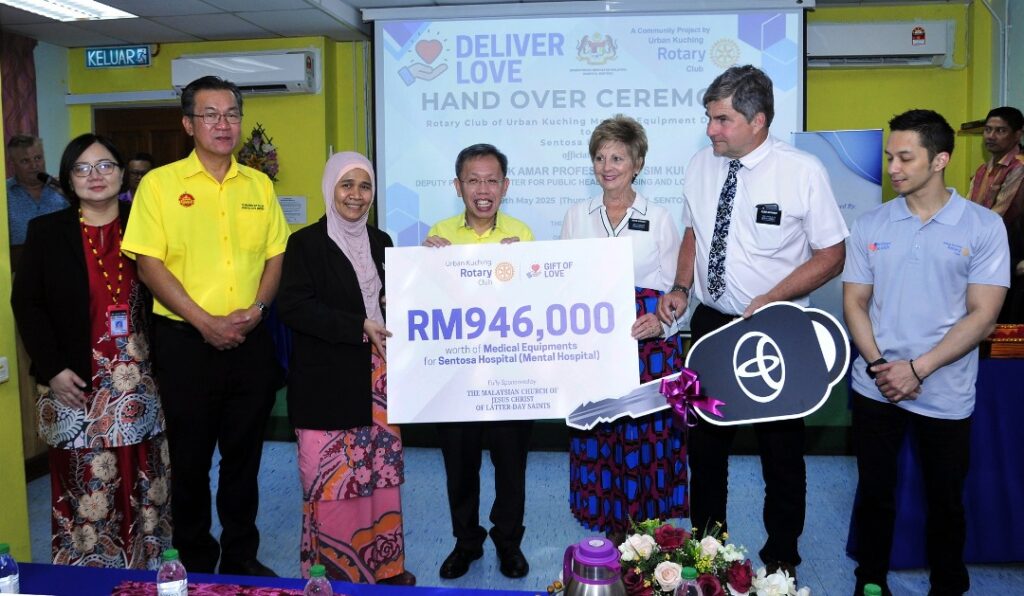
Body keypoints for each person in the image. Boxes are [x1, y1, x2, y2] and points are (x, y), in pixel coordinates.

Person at [656, 65, 848, 580]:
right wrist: (681, 287)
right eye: (709, 118)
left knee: (780, 453)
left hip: (778, 329)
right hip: (712, 324)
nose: (710, 130)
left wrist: (773, 298)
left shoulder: (801, 171)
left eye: (721, 120)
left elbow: (832, 254)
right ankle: (707, 547)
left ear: (758, 120)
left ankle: (782, 555)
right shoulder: (701, 164)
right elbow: (694, 233)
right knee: (705, 448)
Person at [121, 76, 290, 577]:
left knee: (245, 459)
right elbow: (148, 264)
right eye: (210, 115)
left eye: (231, 114)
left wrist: (258, 310)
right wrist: (204, 322)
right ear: (188, 124)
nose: (223, 124)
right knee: (190, 461)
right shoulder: (160, 185)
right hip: (185, 344)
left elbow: (275, 256)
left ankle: (240, 555)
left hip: (250, 342)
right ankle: (194, 560)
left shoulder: (259, 185)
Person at [844, 109, 1009, 596]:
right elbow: (855, 303)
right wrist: (881, 367)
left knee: (945, 500)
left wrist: (918, 369)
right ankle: (870, 581)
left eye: (905, 157)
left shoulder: (983, 226)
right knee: (875, 493)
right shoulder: (870, 223)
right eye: (889, 157)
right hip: (876, 386)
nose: (892, 168)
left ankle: (948, 585)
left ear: (940, 160)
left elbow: (983, 315)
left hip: (946, 389)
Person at [11, 133, 171, 568]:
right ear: (68, 179)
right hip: (74, 382)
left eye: (104, 166)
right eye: (82, 168)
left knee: (144, 482)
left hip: (139, 380)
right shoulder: (47, 232)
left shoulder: (147, 224)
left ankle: (147, 572)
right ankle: (87, 574)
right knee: (86, 489)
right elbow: (27, 304)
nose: (94, 175)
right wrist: (52, 368)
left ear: (122, 174)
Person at [277, 151, 415, 586]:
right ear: (330, 188)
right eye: (347, 185)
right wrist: (358, 325)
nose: (356, 195)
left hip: (379, 378)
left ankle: (385, 566)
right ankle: (335, 575)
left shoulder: (382, 240)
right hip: (326, 382)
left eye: (365, 185)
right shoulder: (305, 244)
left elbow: (394, 297)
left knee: (380, 475)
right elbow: (294, 307)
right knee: (334, 482)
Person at [560, 114, 687, 541]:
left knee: (644, 440)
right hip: (593, 348)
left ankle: (648, 534)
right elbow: (563, 283)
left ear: (637, 163)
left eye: (617, 157)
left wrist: (663, 325)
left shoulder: (660, 217)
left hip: (648, 350)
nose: (607, 166)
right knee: (600, 437)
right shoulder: (576, 216)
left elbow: (678, 292)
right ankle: (608, 530)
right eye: (600, 157)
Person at [423, 143, 534, 580]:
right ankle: (466, 541)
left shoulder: (523, 235)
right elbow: (424, 305)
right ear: (458, 186)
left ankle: (509, 543)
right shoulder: (438, 234)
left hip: (509, 376)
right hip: (455, 377)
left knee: (511, 467)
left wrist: (525, 268)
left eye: (491, 180)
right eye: (473, 180)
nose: (482, 190)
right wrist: (423, 267)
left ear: (505, 186)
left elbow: (538, 306)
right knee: (460, 466)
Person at [967, 107, 1024, 322]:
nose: (991, 136)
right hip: (986, 250)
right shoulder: (983, 169)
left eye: (1000, 131)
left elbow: (998, 216)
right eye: (988, 129)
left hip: (1010, 252)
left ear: (1017, 134)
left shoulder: (1019, 167)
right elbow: (968, 208)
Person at [6, 134, 68, 268]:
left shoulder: (62, 190)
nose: (34, 166)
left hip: (62, 266)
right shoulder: (4, 195)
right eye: (25, 161)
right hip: (18, 270)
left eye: (38, 158)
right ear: (12, 164)